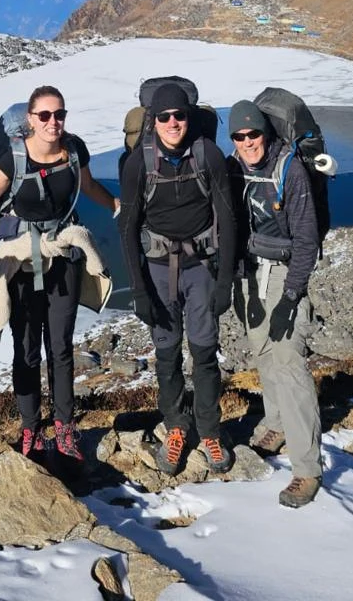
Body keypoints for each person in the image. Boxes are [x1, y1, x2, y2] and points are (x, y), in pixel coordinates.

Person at [0, 86, 118, 463]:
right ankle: (30, 427)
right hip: (22, 264)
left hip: (64, 259)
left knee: (60, 348)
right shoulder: (13, 159)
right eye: (44, 115)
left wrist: (117, 206)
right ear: (31, 119)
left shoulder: (74, 150)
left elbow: (89, 186)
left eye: (58, 114)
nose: (52, 122)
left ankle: (64, 426)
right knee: (26, 349)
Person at [118, 81, 237, 476]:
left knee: (204, 353)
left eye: (180, 115)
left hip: (201, 269)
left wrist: (225, 281)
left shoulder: (208, 156)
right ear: (153, 120)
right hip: (157, 272)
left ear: (189, 117)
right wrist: (139, 289)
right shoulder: (139, 164)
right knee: (167, 355)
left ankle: (210, 431)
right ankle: (175, 427)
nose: (173, 123)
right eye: (165, 116)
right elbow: (127, 227)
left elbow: (228, 219)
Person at [227, 98, 323, 508]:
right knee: (263, 350)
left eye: (254, 134)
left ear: (265, 133)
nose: (248, 142)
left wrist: (291, 296)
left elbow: (307, 240)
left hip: (285, 272)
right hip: (251, 273)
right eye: (239, 136)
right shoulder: (234, 168)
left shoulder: (291, 170)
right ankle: (276, 422)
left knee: (289, 361)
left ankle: (307, 469)